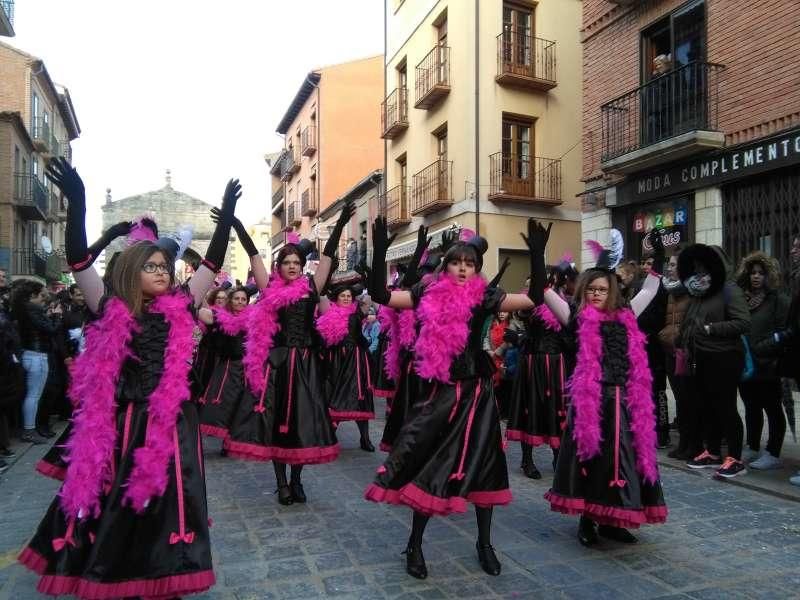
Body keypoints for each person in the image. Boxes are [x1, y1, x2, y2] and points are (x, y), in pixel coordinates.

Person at [18, 157, 241, 598]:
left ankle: (166, 573)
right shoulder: (109, 305)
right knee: (120, 501)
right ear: (130, 271)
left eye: (164, 266)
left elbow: (211, 265)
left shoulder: (181, 301)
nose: (161, 272)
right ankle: (116, 570)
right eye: (152, 266)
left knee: (173, 499)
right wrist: (77, 203)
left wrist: (227, 220)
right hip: (126, 420)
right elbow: (80, 261)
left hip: (175, 420)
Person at [365, 218, 540, 580]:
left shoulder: (487, 296)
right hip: (441, 392)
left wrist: (537, 256)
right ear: (446, 266)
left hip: (478, 391)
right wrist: (379, 249)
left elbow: (532, 299)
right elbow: (383, 297)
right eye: (456, 262)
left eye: (470, 263)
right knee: (430, 463)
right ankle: (414, 544)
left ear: (477, 269)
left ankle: (485, 543)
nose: (463, 268)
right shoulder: (427, 293)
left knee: (486, 465)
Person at [531, 221, 668, 547]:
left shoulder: (627, 314)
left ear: (613, 293)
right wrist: (537, 256)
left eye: (602, 289)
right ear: (583, 291)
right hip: (592, 403)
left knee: (623, 462)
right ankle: (589, 520)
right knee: (591, 460)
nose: (596, 294)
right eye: (591, 289)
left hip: (626, 401)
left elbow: (649, 290)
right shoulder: (574, 317)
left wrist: (658, 260)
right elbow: (543, 292)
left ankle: (614, 519)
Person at [224, 200, 355, 505]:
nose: (293, 266)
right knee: (275, 423)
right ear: (279, 267)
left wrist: (338, 226)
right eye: (287, 262)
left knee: (302, 423)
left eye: (296, 262)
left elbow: (328, 257)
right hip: (278, 364)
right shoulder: (269, 288)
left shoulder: (313, 286)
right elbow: (254, 255)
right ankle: (281, 483)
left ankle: (297, 481)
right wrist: (237, 224)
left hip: (307, 365)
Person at [679, 244, 751, 478]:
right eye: (696, 266)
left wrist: (711, 328)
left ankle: (735, 457)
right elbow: (690, 322)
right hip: (700, 357)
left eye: (703, 265)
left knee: (726, 407)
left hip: (725, 357)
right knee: (706, 406)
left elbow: (743, 322)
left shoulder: (730, 290)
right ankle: (712, 451)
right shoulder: (700, 292)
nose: (699, 269)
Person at [197, 214, 268, 443]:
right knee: (224, 401)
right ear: (230, 301)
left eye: (242, 300)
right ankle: (225, 436)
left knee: (242, 402)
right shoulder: (219, 316)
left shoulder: (253, 318)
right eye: (236, 299)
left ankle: (235, 438)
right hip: (227, 368)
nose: (239, 302)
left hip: (247, 368)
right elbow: (201, 313)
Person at [736, 251, 789, 470]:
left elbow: (783, 332)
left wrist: (763, 348)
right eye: (753, 272)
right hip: (746, 364)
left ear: (768, 275)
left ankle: (773, 451)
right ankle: (754, 446)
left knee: (773, 408)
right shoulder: (743, 299)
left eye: (760, 273)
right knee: (751, 406)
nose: (756, 277)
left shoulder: (778, 300)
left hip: (768, 364)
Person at [317, 276, 376, 451]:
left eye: (349, 296)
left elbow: (369, 299)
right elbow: (321, 296)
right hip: (335, 360)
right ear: (336, 299)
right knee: (334, 397)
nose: (346, 298)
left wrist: (368, 280)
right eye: (343, 296)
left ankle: (365, 439)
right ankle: (330, 437)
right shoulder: (329, 312)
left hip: (356, 361)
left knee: (360, 399)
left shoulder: (357, 312)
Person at [11, 280, 60, 444]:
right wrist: (57, 316)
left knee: (31, 395)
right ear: (33, 295)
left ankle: (28, 428)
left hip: (30, 354)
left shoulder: (22, 309)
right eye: (41, 296)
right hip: (36, 356)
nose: (43, 299)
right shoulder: (32, 309)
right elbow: (51, 329)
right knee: (33, 395)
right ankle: (29, 430)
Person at [659, 250, 695, 460]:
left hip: (686, 352)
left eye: (673, 265)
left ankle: (693, 444)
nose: (669, 269)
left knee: (690, 399)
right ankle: (684, 443)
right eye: (669, 265)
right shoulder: (669, 290)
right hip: (670, 351)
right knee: (680, 399)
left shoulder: (692, 291)